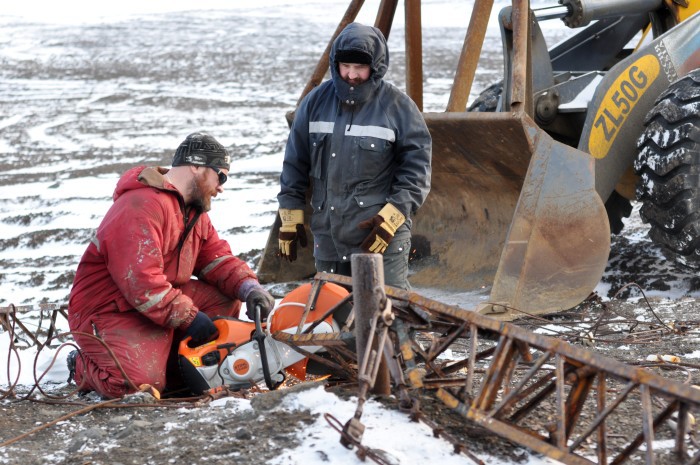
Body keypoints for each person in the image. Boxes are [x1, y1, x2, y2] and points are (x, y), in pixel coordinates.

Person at [67, 132, 275, 399]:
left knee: (225, 300)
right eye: (220, 176)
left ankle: (177, 368)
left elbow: (216, 258)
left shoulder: (193, 212)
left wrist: (249, 288)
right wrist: (188, 317)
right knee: (137, 386)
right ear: (197, 166)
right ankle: (82, 366)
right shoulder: (140, 205)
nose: (222, 186)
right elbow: (142, 283)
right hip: (110, 309)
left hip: (154, 303)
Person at [277, 22, 432, 289]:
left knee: (388, 313)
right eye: (345, 66)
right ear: (336, 64)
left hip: (379, 233)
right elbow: (294, 164)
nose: (351, 75)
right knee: (334, 314)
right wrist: (289, 216)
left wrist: (391, 218)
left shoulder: (399, 107)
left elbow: (417, 171)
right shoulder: (314, 103)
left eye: (359, 68)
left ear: (376, 66)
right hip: (328, 237)